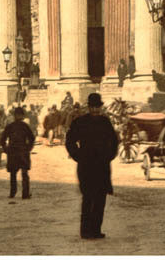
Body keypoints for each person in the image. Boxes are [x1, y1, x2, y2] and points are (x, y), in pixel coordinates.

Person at [65, 92, 119, 240]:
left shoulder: (105, 122)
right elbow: (69, 141)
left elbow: (114, 141)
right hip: (86, 165)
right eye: (93, 107)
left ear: (100, 107)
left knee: (101, 198)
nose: (95, 110)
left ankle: (96, 229)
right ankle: (85, 230)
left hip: (102, 165)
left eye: (97, 107)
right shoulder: (80, 122)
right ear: (88, 108)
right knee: (88, 198)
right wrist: (78, 156)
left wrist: (109, 155)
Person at [0, 106, 36, 199]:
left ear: (14, 116)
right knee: (24, 174)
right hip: (22, 151)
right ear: (22, 116)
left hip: (13, 152)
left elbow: (2, 140)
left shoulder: (10, 126)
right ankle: (25, 194)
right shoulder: (25, 126)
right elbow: (32, 138)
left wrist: (6, 149)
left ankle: (13, 193)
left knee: (13, 174)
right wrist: (28, 148)